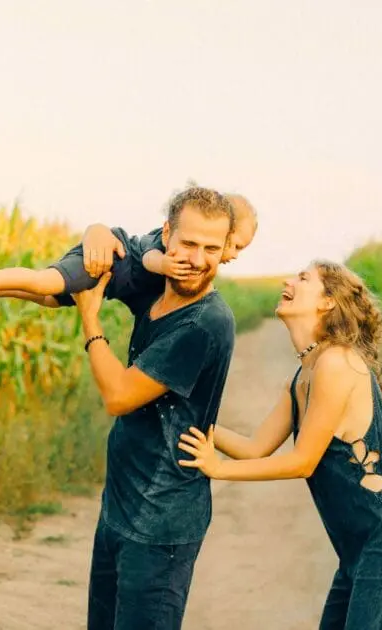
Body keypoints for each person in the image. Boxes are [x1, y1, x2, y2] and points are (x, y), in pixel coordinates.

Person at [176, 260, 382, 630]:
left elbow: (302, 462)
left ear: (328, 302)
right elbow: (255, 448)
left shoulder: (336, 363)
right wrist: (194, 425)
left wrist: (217, 468)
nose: (287, 279)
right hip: (357, 550)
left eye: (302, 278)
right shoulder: (302, 375)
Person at [50, 185, 237, 629]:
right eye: (189, 243)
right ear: (167, 235)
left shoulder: (205, 323)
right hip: (120, 508)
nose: (197, 257)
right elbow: (114, 252)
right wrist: (96, 230)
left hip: (160, 527)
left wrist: (90, 320)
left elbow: (119, 396)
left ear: (227, 249)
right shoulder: (158, 291)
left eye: (212, 248)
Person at [0, 193, 257, 313]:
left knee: (49, 299)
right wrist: (165, 264)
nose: (234, 254)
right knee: (45, 282)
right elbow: (149, 259)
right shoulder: (169, 249)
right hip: (110, 259)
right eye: (235, 244)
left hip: (113, 283)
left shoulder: (192, 258)